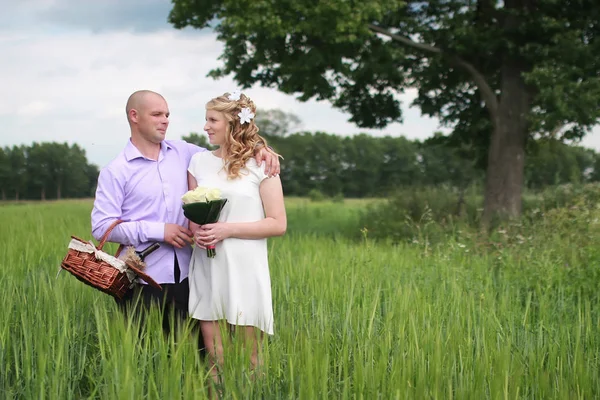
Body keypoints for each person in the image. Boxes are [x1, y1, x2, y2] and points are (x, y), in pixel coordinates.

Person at [90, 89, 280, 338]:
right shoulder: (115, 171)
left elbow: (229, 148)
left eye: (167, 114)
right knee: (147, 361)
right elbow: (102, 227)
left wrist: (259, 148)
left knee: (198, 363)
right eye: (157, 114)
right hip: (142, 281)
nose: (165, 120)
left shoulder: (186, 154)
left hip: (190, 279)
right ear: (134, 116)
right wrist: (160, 231)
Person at [187, 92, 287, 386]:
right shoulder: (198, 163)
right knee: (215, 357)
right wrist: (198, 234)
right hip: (208, 267)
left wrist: (227, 229)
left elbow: (277, 223)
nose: (206, 126)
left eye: (212, 120)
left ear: (233, 124)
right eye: (206, 119)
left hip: (246, 268)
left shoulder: (262, 165)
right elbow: (193, 220)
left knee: (251, 359)